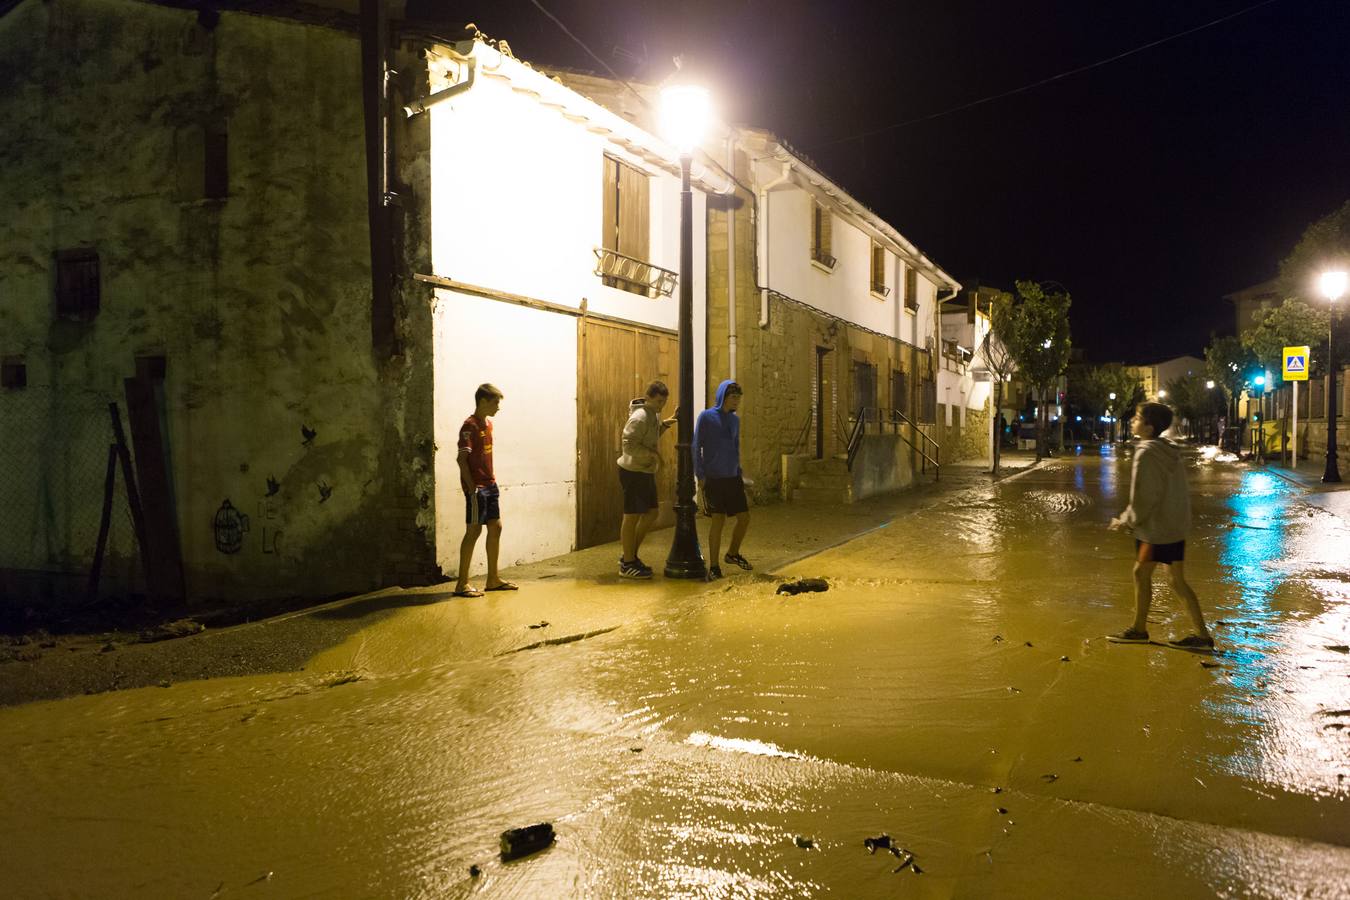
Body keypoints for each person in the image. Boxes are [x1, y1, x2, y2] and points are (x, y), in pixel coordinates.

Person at [1106, 401, 1213, 648]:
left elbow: (1144, 496)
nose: (1133, 421)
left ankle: (1138, 630)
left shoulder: (1146, 453)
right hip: (1174, 526)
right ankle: (1202, 636)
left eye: (1137, 417)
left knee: (1140, 573)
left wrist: (1126, 520)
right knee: (1176, 580)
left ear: (1148, 427)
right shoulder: (1168, 451)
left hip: (1156, 531)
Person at [453, 383, 517, 597]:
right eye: (495, 402)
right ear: (483, 401)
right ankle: (462, 584)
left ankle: (493, 579)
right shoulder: (469, 426)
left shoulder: (488, 425)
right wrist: (472, 488)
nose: (498, 407)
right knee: (473, 531)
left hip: (491, 484)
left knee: (495, 527)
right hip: (478, 488)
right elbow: (461, 459)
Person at [616, 381, 677, 578]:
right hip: (633, 471)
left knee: (651, 513)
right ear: (649, 397)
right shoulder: (640, 417)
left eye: (664, 402)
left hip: (644, 471)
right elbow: (629, 445)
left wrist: (668, 421)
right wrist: (653, 455)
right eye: (659, 401)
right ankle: (627, 563)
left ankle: (630, 554)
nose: (661, 405)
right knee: (631, 515)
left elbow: (651, 435)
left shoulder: (652, 414)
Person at [692, 380, 752, 581]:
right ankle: (714, 566)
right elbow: (696, 445)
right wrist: (700, 474)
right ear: (723, 397)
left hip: (732, 477)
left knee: (744, 518)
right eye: (734, 397)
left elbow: (735, 447)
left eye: (738, 398)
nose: (737, 401)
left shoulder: (735, 421)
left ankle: (732, 554)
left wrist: (740, 473)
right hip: (715, 478)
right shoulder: (707, 417)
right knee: (718, 521)